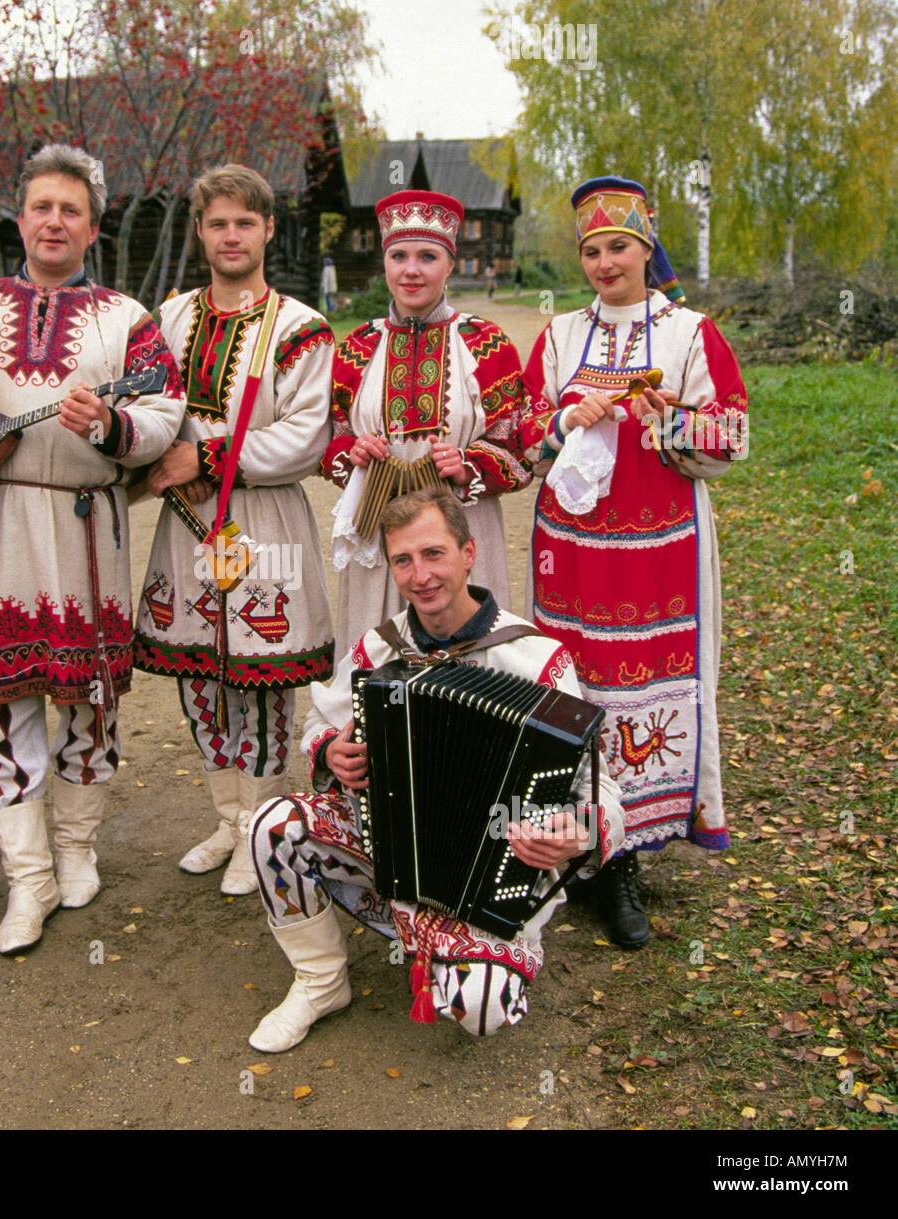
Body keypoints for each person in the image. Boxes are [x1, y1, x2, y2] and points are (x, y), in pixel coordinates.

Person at [0, 145, 184, 954]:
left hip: (90, 520)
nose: (55, 220)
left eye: (71, 210)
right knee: (4, 697)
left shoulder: (128, 318)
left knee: (90, 696)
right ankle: (28, 876)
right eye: (42, 206)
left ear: (93, 226)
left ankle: (77, 847)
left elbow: (165, 410)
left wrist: (113, 426)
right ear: (22, 218)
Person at [245, 488, 625, 1051]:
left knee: (481, 1009)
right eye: (403, 560)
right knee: (270, 826)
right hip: (389, 849)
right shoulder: (381, 647)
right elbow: (319, 725)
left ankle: (458, 948)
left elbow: (603, 790)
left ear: (468, 553)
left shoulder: (538, 660)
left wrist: (581, 831)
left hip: (496, 875)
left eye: (433, 554)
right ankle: (321, 981)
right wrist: (329, 751)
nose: (419, 576)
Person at [518, 176, 748, 948]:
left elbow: (734, 434)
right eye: (591, 249)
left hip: (660, 549)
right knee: (572, 682)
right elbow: (520, 438)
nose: (604, 261)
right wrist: (560, 420)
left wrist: (670, 419)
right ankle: (573, 847)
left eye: (619, 245)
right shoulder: (557, 337)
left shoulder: (689, 333)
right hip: (571, 551)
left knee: (643, 685)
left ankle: (625, 859)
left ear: (647, 248)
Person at [134, 164, 335, 894]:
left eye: (244, 223)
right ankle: (226, 820)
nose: (230, 235)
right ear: (200, 231)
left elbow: (306, 439)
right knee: (201, 676)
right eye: (217, 222)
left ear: (268, 230)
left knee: (262, 677)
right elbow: (152, 408)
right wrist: (158, 453)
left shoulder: (302, 327)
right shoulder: (170, 318)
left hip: (261, 513)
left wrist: (208, 454)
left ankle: (265, 825)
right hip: (187, 518)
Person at [321, 189, 532, 656]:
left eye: (427, 256)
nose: (411, 270)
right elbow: (331, 442)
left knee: (470, 656)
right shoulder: (356, 347)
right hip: (377, 530)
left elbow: (519, 452)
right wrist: (352, 454)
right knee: (378, 654)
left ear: (451, 264)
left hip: (463, 524)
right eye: (398, 256)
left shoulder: (487, 344)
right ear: (385, 262)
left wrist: (467, 464)